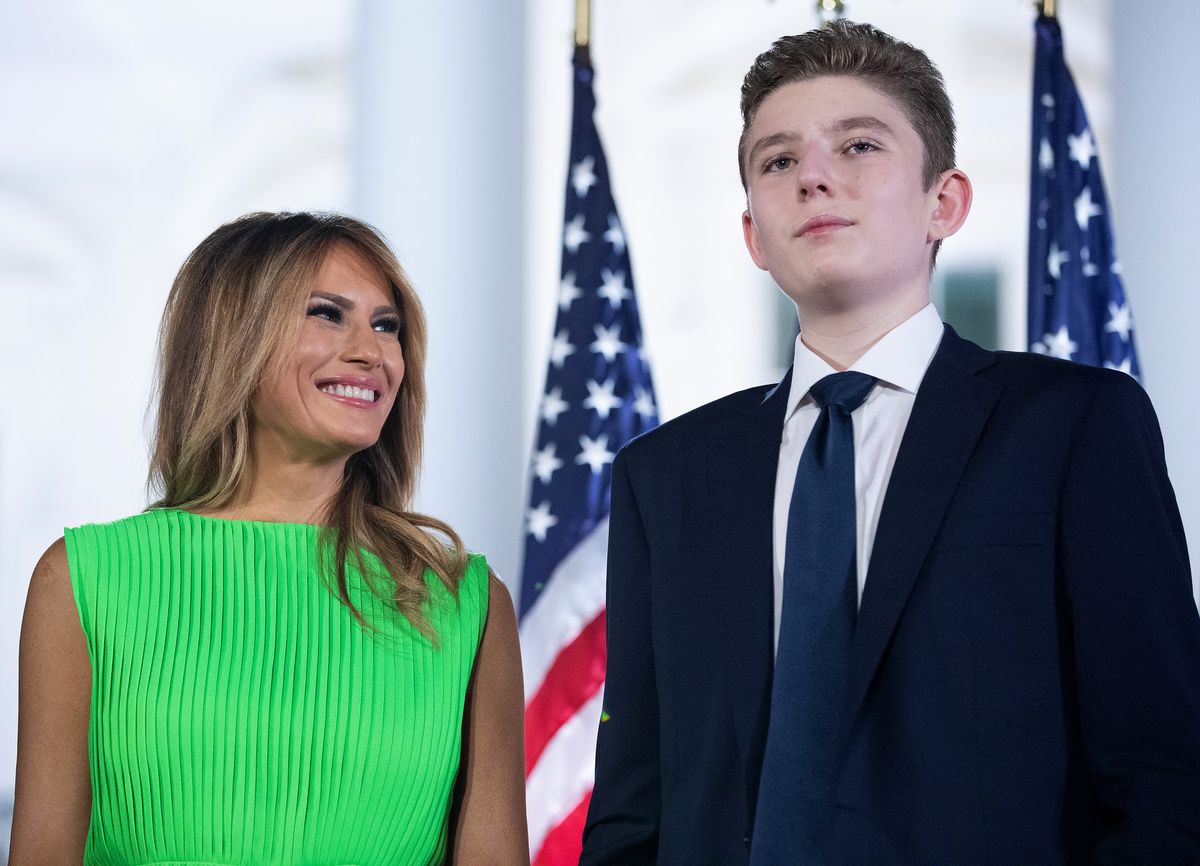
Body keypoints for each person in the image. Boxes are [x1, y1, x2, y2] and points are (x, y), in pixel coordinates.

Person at [581, 20, 1200, 865]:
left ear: (942, 202)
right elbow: (633, 806)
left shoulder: (1074, 427)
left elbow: (1163, 773)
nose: (814, 178)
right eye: (778, 161)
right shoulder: (665, 476)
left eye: (859, 146)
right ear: (754, 234)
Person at [12, 212, 529, 865]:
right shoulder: (85, 580)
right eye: (326, 314)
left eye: (386, 325)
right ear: (233, 338)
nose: (371, 351)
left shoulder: (464, 604)